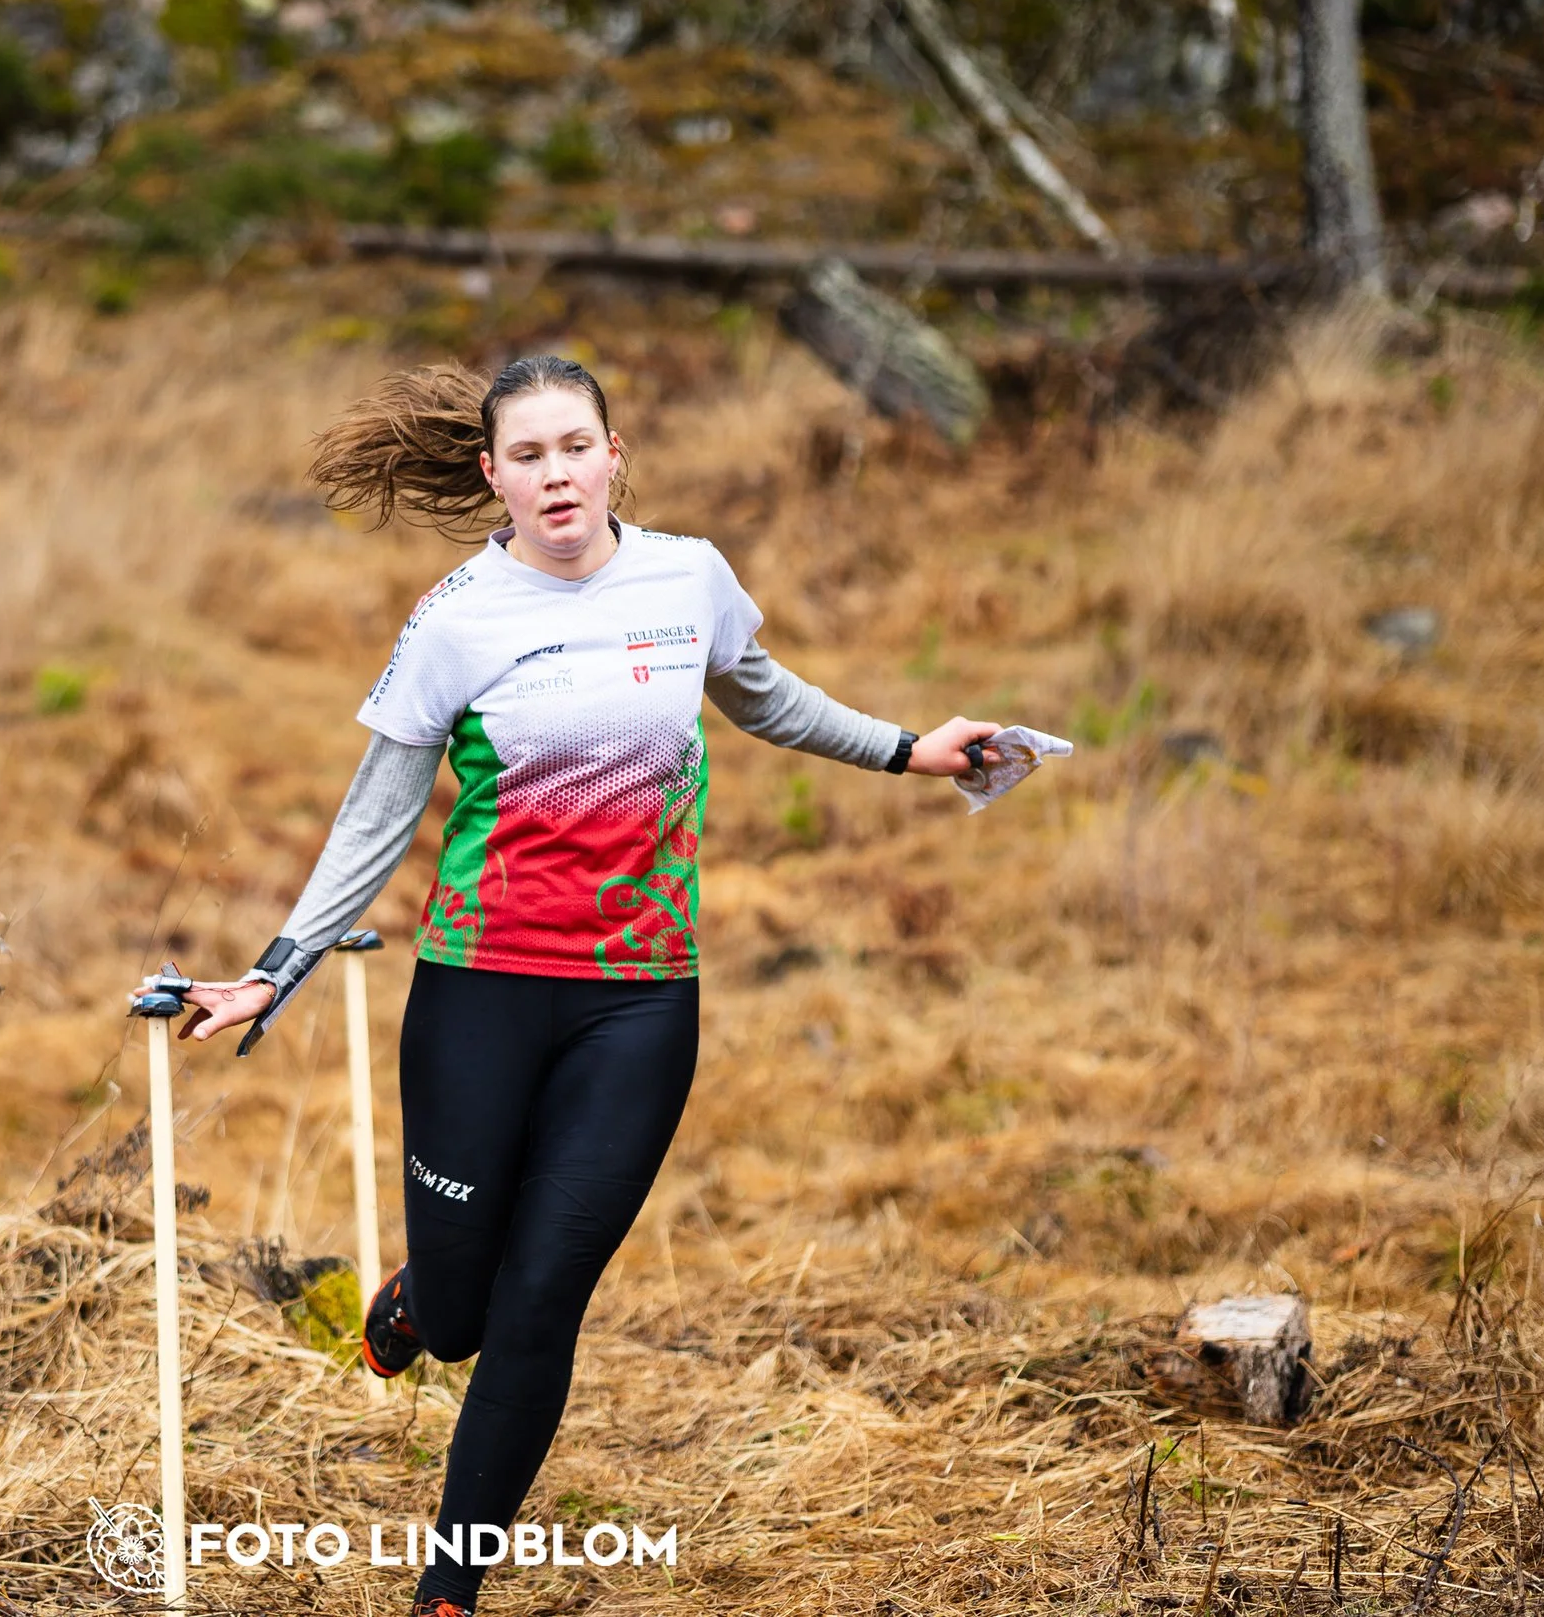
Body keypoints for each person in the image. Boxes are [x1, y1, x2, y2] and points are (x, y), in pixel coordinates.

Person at [153, 356, 1000, 1617]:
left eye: (575, 446)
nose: (556, 474)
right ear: (492, 476)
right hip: (477, 989)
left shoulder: (689, 576)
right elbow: (376, 815)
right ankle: (416, 1301)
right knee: (456, 1318)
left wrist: (903, 748)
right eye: (528, 455)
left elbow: (760, 693)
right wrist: (275, 971)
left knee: (544, 1290)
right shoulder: (457, 617)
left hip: (638, 999)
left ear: (615, 453)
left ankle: (451, 1585)